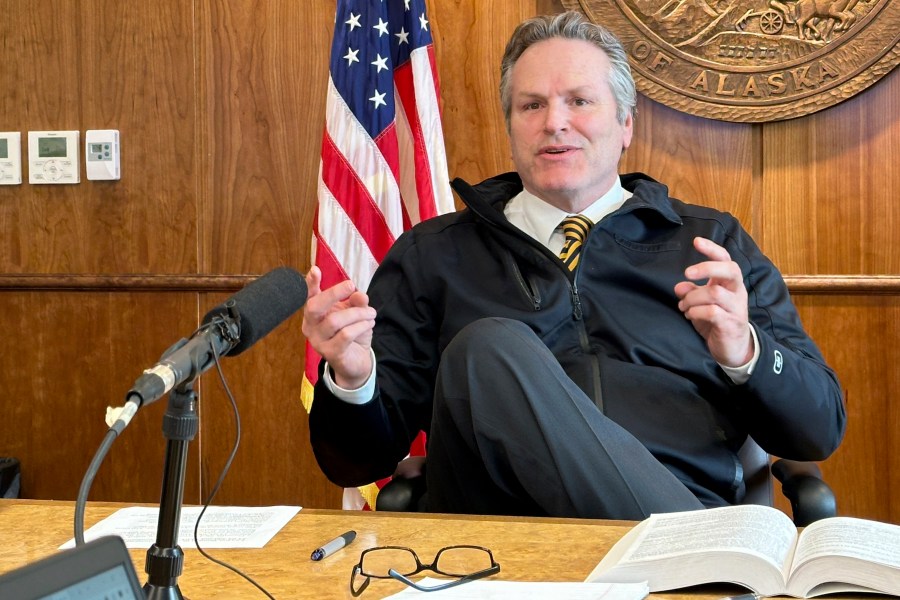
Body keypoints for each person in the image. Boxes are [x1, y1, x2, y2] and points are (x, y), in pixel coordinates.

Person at [302, 11, 845, 519]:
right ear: (511, 126)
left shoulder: (707, 243)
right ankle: (684, 557)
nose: (554, 123)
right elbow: (354, 464)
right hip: (502, 550)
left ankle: (679, 549)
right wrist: (352, 381)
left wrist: (746, 353)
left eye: (580, 101)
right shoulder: (435, 254)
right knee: (487, 350)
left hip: (676, 507)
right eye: (532, 105)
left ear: (626, 124)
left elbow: (817, 430)